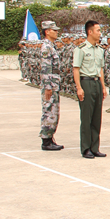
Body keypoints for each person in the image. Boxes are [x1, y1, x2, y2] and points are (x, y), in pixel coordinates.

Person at [73, 20, 107, 159]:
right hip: (86, 83)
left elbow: (100, 69)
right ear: (90, 32)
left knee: (96, 118)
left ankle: (95, 147)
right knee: (86, 117)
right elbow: (76, 69)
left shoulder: (100, 50)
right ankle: (86, 148)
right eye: (98, 30)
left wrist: (103, 87)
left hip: (96, 83)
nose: (100, 33)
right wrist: (79, 88)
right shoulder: (81, 49)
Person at [39, 21, 64, 151]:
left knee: (53, 112)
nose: (56, 32)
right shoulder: (46, 47)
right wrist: (48, 87)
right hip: (50, 86)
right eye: (54, 30)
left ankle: (50, 138)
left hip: (54, 85)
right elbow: (45, 68)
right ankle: (46, 140)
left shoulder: (51, 46)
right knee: (49, 111)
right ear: (47, 31)